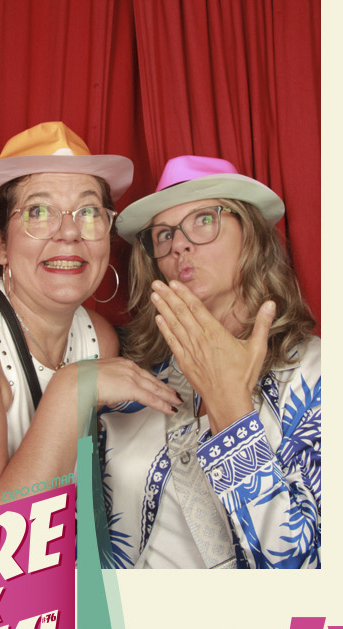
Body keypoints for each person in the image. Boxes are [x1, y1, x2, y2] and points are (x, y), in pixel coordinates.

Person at [0, 122, 179, 523]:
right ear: (0, 245)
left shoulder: (98, 337)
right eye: (39, 212)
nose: (70, 233)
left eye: (89, 212)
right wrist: (71, 390)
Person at [99, 156, 321, 568]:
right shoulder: (134, 382)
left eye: (204, 220)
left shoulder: (315, 374)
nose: (178, 245)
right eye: (164, 234)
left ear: (251, 236)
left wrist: (232, 412)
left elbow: (311, 569)